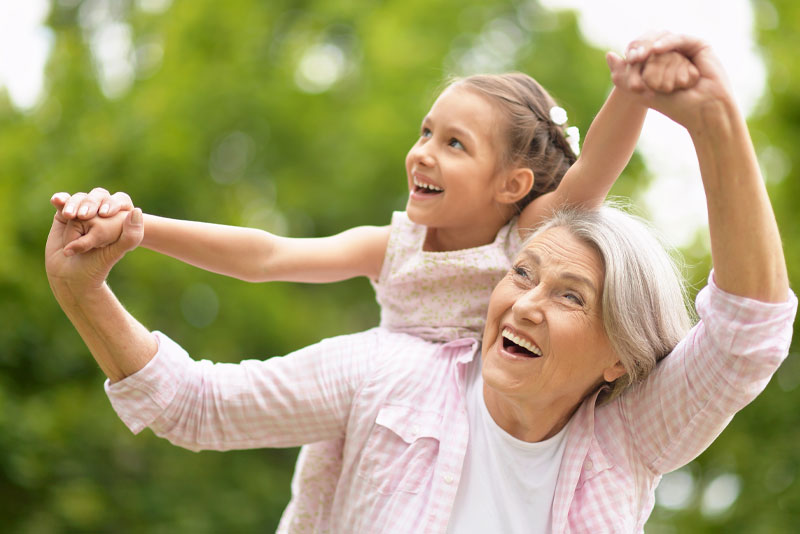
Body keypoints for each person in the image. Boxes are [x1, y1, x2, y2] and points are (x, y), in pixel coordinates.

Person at [45, 33, 796, 533]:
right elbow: (258, 275)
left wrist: (658, 99)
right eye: (525, 278)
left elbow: (742, 332)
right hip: (386, 395)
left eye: (568, 297)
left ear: (619, 359)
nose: (526, 299)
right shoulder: (389, 345)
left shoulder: (620, 429)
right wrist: (125, 245)